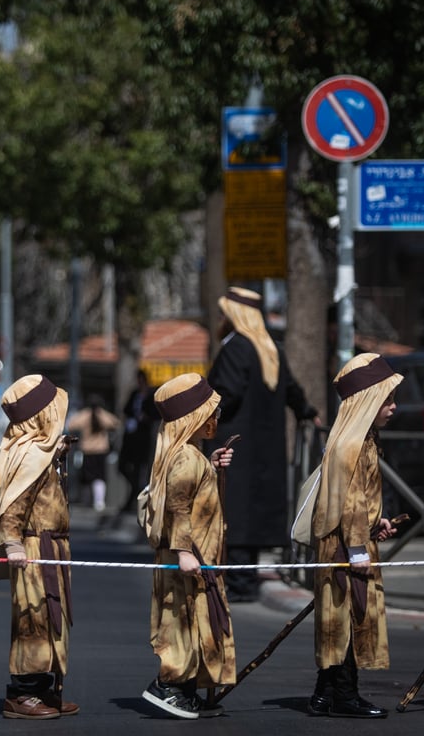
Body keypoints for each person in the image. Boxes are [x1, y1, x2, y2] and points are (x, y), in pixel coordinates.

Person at [204, 287, 319, 602]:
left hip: (235, 444)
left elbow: (226, 393)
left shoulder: (236, 348)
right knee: (251, 511)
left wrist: (201, 413)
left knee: (236, 509)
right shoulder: (269, 347)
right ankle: (246, 576)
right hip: (266, 446)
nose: (219, 319)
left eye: (223, 313)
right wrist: (308, 412)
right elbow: (293, 389)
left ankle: (239, 581)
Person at [307, 352, 403, 719]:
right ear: (367, 401)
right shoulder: (353, 445)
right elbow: (348, 503)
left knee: (338, 619)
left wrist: (376, 521)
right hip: (346, 550)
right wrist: (359, 548)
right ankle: (344, 695)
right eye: (387, 400)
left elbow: (358, 502)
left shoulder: (357, 439)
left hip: (347, 542)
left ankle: (325, 694)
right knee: (347, 617)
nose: (393, 407)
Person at [141, 373, 237, 719]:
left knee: (195, 622)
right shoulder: (184, 457)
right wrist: (183, 552)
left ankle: (184, 689)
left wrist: (210, 467)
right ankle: (168, 686)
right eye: (212, 411)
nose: (216, 418)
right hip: (189, 558)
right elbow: (178, 506)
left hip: (198, 558)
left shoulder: (190, 455)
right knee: (180, 621)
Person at [0, 374, 78, 720]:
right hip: (33, 551)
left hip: (50, 550)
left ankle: (42, 688)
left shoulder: (40, 450)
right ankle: (22, 693)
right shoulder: (28, 453)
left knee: (49, 619)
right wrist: (12, 542)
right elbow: (14, 501)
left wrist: (56, 455)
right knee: (33, 619)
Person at [66, 394, 121, 512]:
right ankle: (99, 501)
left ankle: (87, 500)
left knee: (87, 477)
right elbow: (115, 422)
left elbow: (71, 424)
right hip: (101, 450)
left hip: (87, 450)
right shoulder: (103, 415)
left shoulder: (84, 414)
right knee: (100, 477)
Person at [118, 370, 159, 515]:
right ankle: (134, 492)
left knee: (142, 469)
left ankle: (139, 498)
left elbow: (155, 413)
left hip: (144, 438)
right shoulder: (135, 394)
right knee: (125, 467)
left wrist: (145, 418)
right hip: (131, 437)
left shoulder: (151, 395)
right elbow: (126, 409)